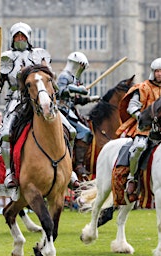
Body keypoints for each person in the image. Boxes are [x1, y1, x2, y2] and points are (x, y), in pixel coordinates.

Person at [0, 22, 53, 189]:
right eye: (17, 36)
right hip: (16, 100)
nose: (20, 39)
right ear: (12, 38)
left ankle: (70, 169)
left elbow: (50, 77)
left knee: (68, 129)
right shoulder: (6, 58)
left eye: (23, 36)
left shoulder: (38, 56)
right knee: (6, 134)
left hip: (37, 99)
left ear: (28, 37)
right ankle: (10, 173)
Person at [115, 57, 161, 195]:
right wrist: (142, 118)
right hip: (144, 128)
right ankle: (132, 178)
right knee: (138, 147)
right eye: (157, 71)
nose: (159, 74)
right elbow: (132, 107)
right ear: (153, 72)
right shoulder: (142, 88)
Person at [56, 51, 99, 187]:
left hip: (71, 111)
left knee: (87, 131)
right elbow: (61, 91)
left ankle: (79, 164)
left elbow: (75, 99)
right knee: (83, 132)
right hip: (61, 111)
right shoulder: (64, 76)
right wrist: (79, 89)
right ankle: (76, 163)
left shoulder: (75, 79)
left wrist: (89, 98)